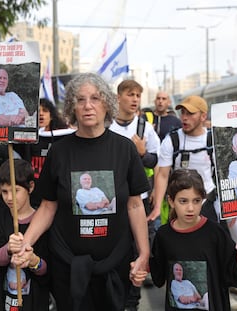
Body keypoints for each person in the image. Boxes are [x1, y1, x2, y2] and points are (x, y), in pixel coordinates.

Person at [17, 73, 150, 310]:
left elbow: (134, 204)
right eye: (80, 100)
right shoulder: (58, 152)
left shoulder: (125, 149)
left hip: (115, 261)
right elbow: (48, 206)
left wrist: (144, 253)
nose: (88, 106)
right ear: (72, 107)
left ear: (107, 104)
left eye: (95, 98)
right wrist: (26, 243)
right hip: (68, 264)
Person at [149, 169, 237, 310]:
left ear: (202, 200)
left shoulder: (215, 233)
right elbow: (158, 275)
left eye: (196, 201)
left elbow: (233, 274)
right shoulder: (164, 235)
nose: (190, 208)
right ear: (171, 201)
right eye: (183, 201)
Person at [109, 79, 160, 310]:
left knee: (140, 249)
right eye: (130, 95)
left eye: (138, 95)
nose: (135, 100)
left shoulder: (144, 127)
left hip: (138, 200)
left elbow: (155, 160)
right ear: (118, 97)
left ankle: (133, 301)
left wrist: (141, 153)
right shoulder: (106, 125)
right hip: (113, 200)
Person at [0, 159, 49, 311]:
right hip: (3, 297)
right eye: (4, 191)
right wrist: (8, 249)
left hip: (34, 299)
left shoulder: (42, 222)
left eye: (15, 191)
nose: (8, 198)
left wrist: (34, 260)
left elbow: (47, 269)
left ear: (31, 187)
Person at [148, 95, 218, 223]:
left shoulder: (213, 140)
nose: (184, 118)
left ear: (203, 116)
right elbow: (163, 175)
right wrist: (157, 206)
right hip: (179, 205)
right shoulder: (172, 140)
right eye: (183, 113)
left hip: (207, 201)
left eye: (190, 114)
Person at [0, 98, 74, 206]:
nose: (41, 114)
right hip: (32, 196)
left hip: (56, 192)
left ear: (52, 115)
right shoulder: (25, 139)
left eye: (45, 111)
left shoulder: (64, 138)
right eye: (37, 111)